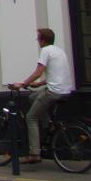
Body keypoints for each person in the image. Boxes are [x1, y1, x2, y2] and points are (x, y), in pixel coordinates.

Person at [12, 27, 74, 164]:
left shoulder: (45, 51)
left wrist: (21, 84)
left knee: (30, 118)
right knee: (32, 97)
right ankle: (48, 124)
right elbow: (56, 75)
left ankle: (34, 153)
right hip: (64, 89)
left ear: (43, 40)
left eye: (38, 38)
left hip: (54, 91)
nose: (37, 40)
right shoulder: (59, 51)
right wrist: (39, 84)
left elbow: (37, 72)